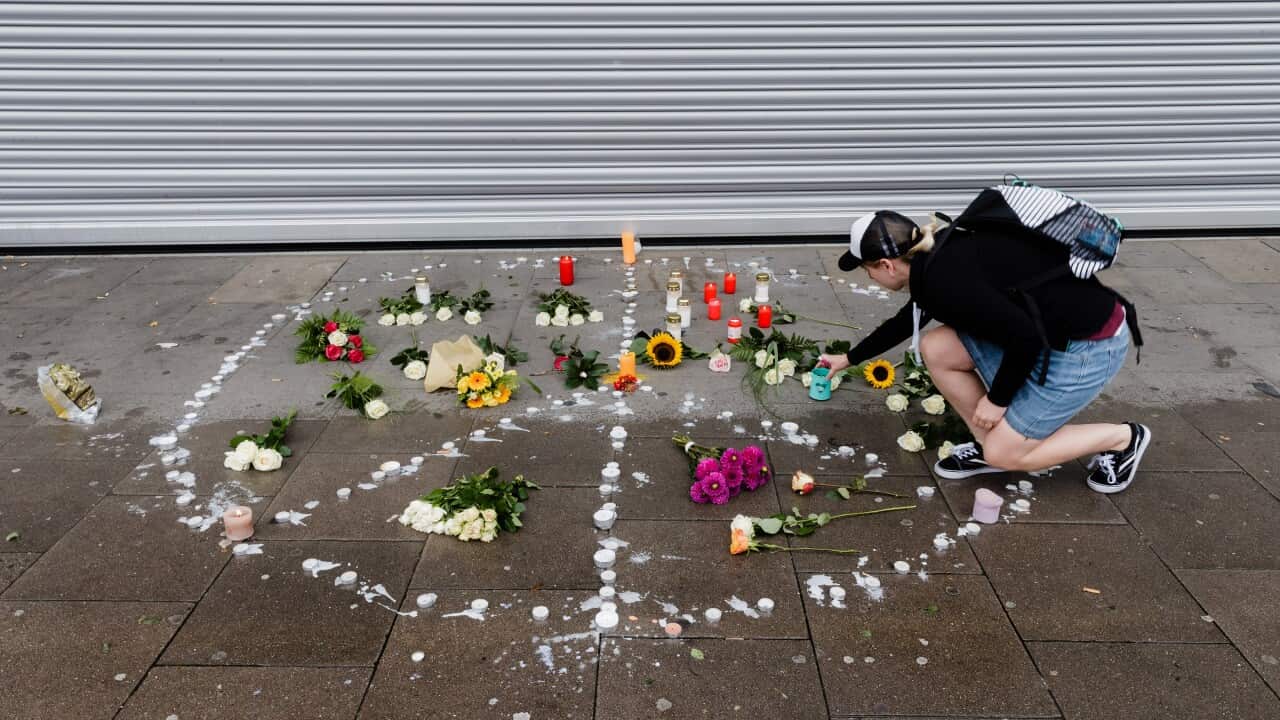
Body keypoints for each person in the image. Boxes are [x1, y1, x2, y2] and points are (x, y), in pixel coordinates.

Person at [819, 210, 1149, 493]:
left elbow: (1026, 337)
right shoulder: (935, 253)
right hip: (1050, 334)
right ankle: (990, 447)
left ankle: (1123, 438)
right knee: (936, 347)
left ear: (887, 265)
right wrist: (849, 359)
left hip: (1086, 350)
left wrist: (997, 401)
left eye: (867, 270)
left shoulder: (944, 285)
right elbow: (909, 319)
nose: (870, 278)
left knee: (1004, 454)